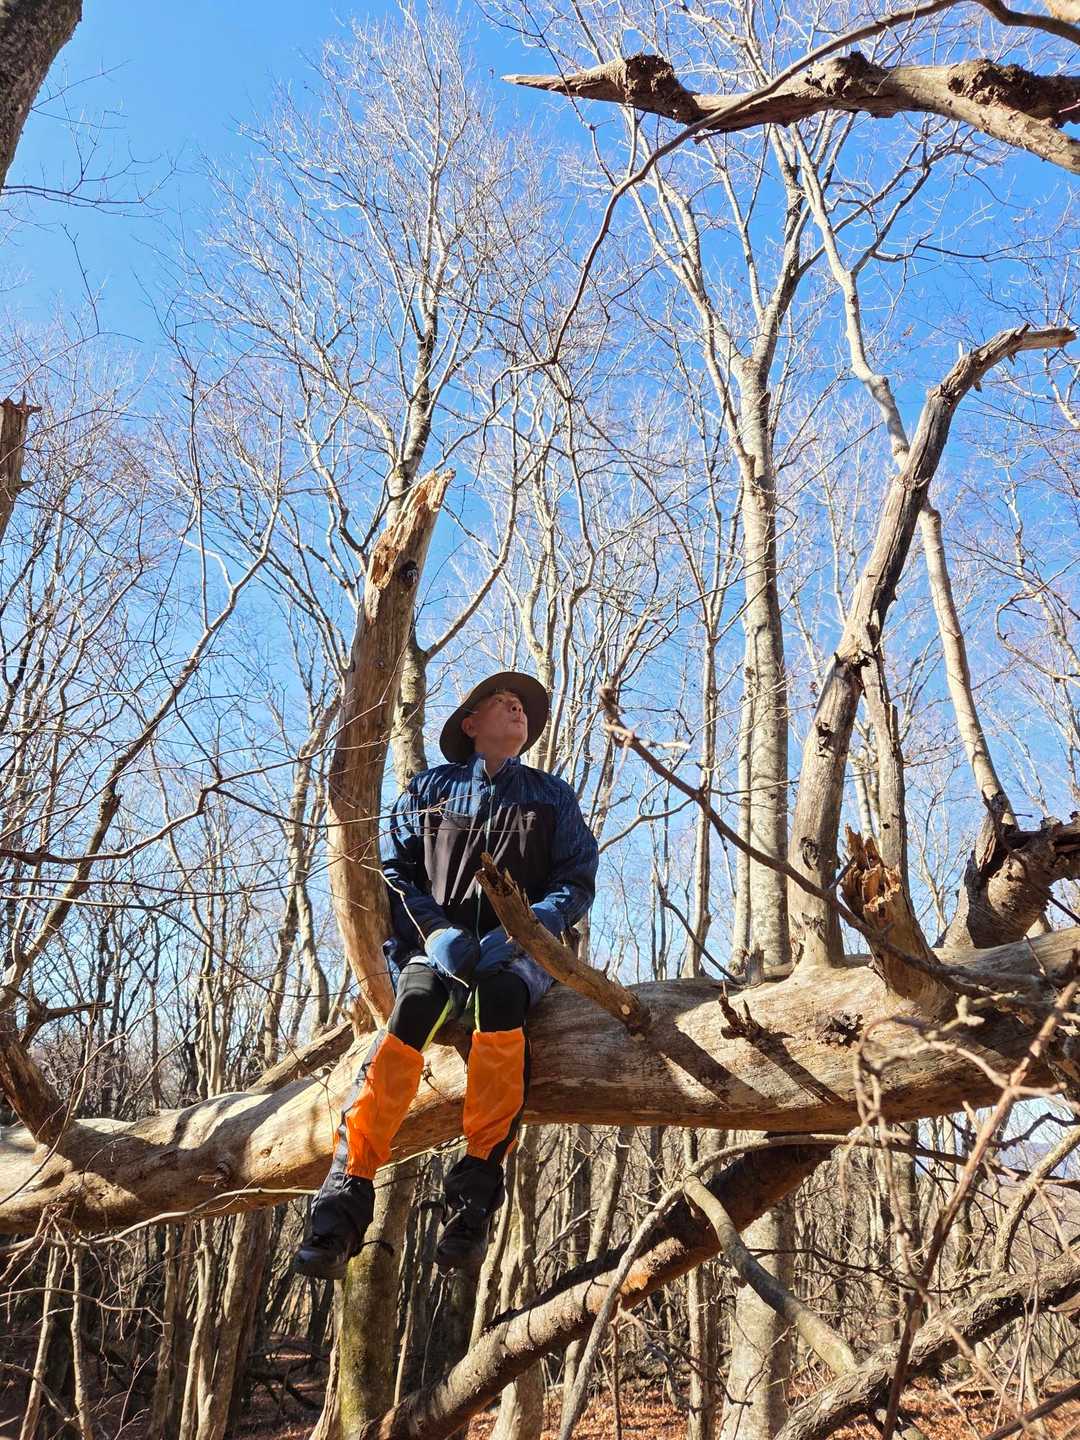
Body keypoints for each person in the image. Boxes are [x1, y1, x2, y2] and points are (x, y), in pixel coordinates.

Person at [294, 670, 599, 1281]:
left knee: (503, 998)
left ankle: (473, 1201)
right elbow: (394, 871)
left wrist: (525, 928)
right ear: (470, 723)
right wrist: (435, 933)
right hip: (434, 951)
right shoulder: (429, 789)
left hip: (521, 955)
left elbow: (577, 878)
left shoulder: (552, 795)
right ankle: (342, 1201)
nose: (518, 710)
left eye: (524, 707)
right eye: (503, 702)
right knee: (412, 1009)